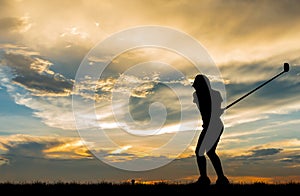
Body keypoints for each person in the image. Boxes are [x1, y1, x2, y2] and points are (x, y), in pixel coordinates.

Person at [192, 74, 229, 186]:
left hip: (213, 126)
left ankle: (207, 179)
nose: (194, 86)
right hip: (212, 125)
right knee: (208, 152)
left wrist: (216, 111)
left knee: (202, 152)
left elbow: (212, 109)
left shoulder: (207, 94)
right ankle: (220, 179)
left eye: (196, 83)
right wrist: (217, 111)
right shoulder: (207, 94)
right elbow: (207, 108)